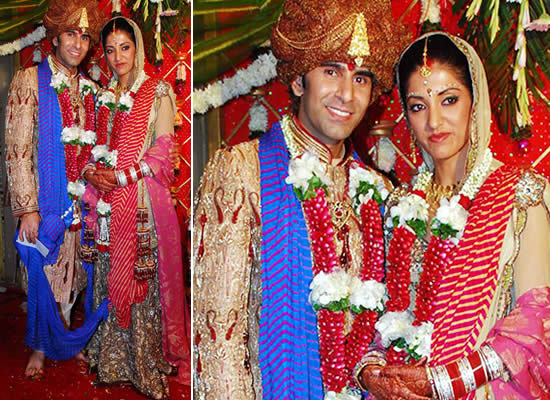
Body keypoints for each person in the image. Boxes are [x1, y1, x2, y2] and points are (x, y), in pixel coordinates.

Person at [192, 0, 409, 398]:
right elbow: (218, 335)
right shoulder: (242, 170)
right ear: (297, 81)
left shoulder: (376, 191)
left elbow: (378, 326)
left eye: (361, 78)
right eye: (331, 71)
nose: (347, 94)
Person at [356, 32, 550, 400]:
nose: (434, 121)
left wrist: (440, 383)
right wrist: (372, 373)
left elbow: (533, 325)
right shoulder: (398, 207)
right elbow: (380, 319)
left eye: (448, 100)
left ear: (474, 101)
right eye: (418, 106)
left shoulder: (519, 196)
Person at [83, 16, 190, 399]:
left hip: (142, 200)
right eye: (111, 50)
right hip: (108, 203)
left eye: (125, 47)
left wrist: (121, 177)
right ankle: (110, 357)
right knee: (108, 270)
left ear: (137, 48)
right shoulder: (103, 96)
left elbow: (162, 153)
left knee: (141, 279)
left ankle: (142, 359)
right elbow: (92, 148)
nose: (118, 57)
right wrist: (93, 174)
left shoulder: (158, 92)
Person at [4, 0, 109, 378]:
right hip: (45, 201)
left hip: (82, 203)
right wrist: (27, 208)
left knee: (76, 272)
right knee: (44, 271)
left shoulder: (92, 90)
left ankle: (63, 337)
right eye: (70, 34)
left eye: (85, 37)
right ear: (55, 37)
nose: (78, 44)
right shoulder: (29, 80)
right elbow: (17, 148)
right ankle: (39, 346)